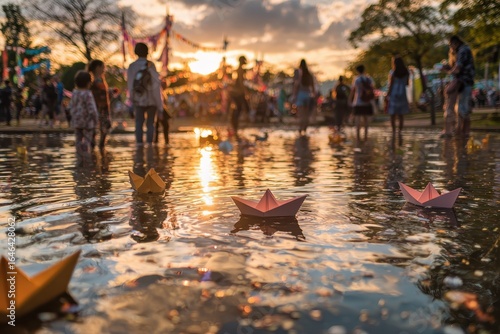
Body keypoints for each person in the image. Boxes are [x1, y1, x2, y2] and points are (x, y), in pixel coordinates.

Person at [127, 42, 163, 144]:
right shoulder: (151, 65)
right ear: (147, 52)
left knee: (138, 123)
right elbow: (156, 87)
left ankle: (139, 147)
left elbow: (130, 86)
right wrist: (160, 106)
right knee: (150, 124)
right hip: (152, 100)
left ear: (135, 52)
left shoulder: (132, 66)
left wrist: (131, 101)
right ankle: (150, 147)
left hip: (138, 99)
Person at [443, 35, 475, 137]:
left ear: (455, 43)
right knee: (462, 108)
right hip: (464, 82)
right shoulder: (463, 50)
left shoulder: (462, 50)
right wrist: (449, 68)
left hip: (464, 82)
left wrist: (448, 71)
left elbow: (457, 69)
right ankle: (462, 132)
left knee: (462, 108)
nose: (450, 47)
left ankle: (464, 132)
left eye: (450, 45)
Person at [69, 70, 98, 156]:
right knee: (87, 141)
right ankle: (86, 157)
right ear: (89, 83)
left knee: (78, 140)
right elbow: (92, 109)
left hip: (77, 122)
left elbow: (71, 106)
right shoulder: (87, 94)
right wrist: (96, 120)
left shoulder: (74, 93)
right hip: (87, 122)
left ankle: (79, 156)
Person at [88, 59, 111, 149]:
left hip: (101, 107)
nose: (104, 69)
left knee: (100, 128)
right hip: (99, 107)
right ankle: (99, 146)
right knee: (102, 128)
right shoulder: (96, 81)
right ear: (98, 68)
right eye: (103, 67)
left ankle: (96, 146)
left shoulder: (100, 80)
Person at [349, 64, 374, 140]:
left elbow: (353, 91)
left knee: (358, 119)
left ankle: (358, 136)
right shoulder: (368, 79)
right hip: (367, 102)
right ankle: (366, 135)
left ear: (357, 71)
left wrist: (350, 99)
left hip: (358, 102)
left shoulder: (357, 79)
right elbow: (372, 88)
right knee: (366, 119)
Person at [386, 56, 410, 133]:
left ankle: (393, 131)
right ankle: (400, 130)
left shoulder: (392, 72)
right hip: (402, 93)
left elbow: (391, 85)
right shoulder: (406, 72)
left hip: (394, 94)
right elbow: (407, 83)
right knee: (401, 114)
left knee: (392, 114)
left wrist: (387, 94)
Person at [292, 59, 315, 136]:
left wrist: (294, 95)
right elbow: (313, 86)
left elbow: (296, 85)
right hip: (308, 95)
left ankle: (300, 129)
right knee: (306, 114)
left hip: (300, 95)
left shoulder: (299, 73)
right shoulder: (309, 74)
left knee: (301, 114)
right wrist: (313, 95)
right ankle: (304, 129)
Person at [230, 55, 249, 137]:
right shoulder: (240, 69)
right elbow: (241, 81)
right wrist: (245, 91)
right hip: (238, 92)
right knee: (239, 109)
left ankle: (235, 127)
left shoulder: (238, 69)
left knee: (238, 109)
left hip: (236, 92)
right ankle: (235, 127)